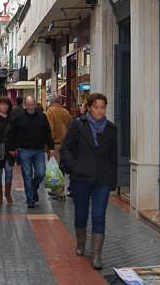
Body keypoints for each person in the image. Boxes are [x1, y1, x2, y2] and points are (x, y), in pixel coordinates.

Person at [60, 93, 117, 269]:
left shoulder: (111, 129)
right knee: (81, 213)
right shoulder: (78, 125)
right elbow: (66, 148)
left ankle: (97, 254)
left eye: (102, 107)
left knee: (99, 215)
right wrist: (74, 167)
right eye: (96, 107)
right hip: (81, 178)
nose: (100, 110)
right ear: (90, 108)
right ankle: (81, 243)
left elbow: (113, 156)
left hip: (102, 179)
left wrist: (113, 181)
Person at [8, 96, 54, 208]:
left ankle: (33, 188)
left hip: (39, 151)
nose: (30, 107)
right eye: (28, 105)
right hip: (24, 151)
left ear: (35, 104)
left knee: (41, 173)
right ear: (25, 105)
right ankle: (30, 199)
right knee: (27, 176)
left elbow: (48, 132)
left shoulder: (42, 117)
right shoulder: (19, 118)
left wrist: (51, 148)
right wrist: (12, 148)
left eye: (32, 104)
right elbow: (12, 133)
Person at [45, 96, 72, 200]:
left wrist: (48, 144)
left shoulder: (50, 112)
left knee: (54, 168)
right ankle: (55, 189)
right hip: (65, 143)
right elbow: (70, 127)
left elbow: (50, 129)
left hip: (55, 144)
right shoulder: (66, 112)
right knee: (61, 167)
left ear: (52, 102)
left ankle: (59, 191)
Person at [0, 97, 14, 204]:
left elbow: (16, 135)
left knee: (9, 172)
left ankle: (8, 193)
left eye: (6, 105)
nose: (4, 106)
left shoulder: (12, 119)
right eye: (1, 104)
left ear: (9, 106)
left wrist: (15, 148)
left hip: (9, 150)